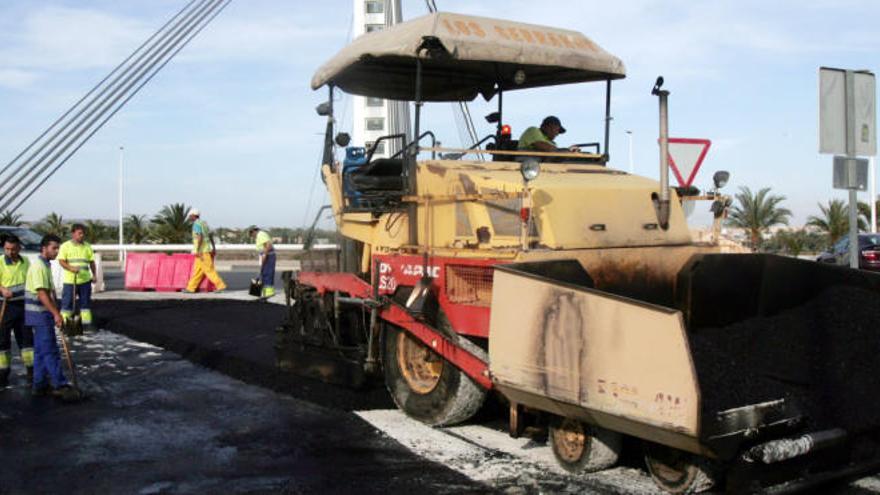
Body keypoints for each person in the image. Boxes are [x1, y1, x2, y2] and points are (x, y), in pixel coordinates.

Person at [26, 234, 79, 400]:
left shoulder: (45, 265)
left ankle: (39, 385)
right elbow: (42, 294)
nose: (57, 251)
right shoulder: (39, 267)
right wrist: (56, 314)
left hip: (39, 315)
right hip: (41, 315)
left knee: (41, 352)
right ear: (44, 248)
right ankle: (59, 384)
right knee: (51, 351)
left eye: (58, 248)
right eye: (54, 248)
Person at [0, 234, 33, 387]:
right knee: (3, 341)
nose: (10, 252)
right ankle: (2, 374)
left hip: (23, 306)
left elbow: (31, 281)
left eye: (13, 249)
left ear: (19, 247)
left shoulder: (26, 261)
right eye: (7, 249)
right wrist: (2, 289)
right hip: (5, 307)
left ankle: (32, 371)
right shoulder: (0, 262)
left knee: (26, 341)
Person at [58, 223, 96, 330]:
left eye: (83, 233)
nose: (82, 235)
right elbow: (61, 261)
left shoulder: (87, 246)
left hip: (85, 280)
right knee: (67, 304)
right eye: (79, 233)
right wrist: (70, 268)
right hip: (70, 281)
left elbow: (91, 262)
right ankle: (64, 324)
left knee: (85, 304)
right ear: (73, 233)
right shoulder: (65, 246)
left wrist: (94, 275)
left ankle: (86, 325)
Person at [184, 208, 227, 293]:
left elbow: (200, 237)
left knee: (209, 270)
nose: (189, 217)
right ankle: (190, 288)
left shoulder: (196, 224)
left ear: (193, 215)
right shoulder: (204, 224)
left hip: (202, 252)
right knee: (197, 271)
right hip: (205, 250)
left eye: (190, 216)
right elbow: (210, 236)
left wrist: (198, 250)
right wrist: (214, 248)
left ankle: (220, 286)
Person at [248, 226, 276, 299]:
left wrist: (264, 256)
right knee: (264, 273)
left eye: (251, 234)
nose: (252, 236)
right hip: (266, 255)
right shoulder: (259, 235)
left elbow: (268, 246)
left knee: (267, 273)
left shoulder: (261, 235)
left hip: (268, 256)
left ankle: (268, 293)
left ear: (254, 231)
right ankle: (266, 292)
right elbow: (262, 248)